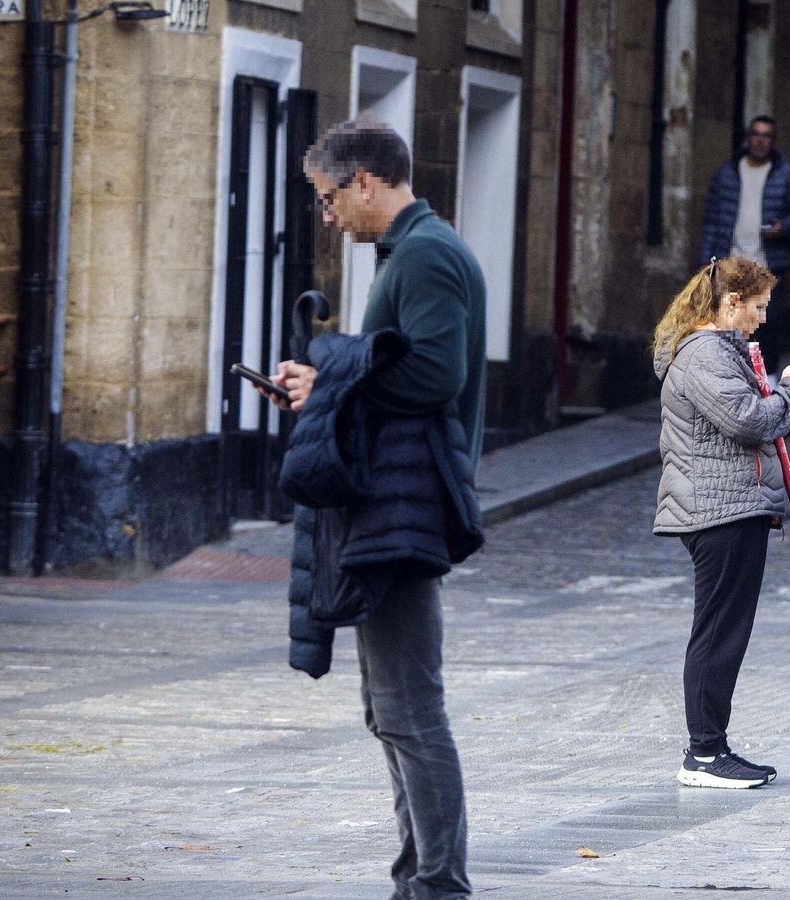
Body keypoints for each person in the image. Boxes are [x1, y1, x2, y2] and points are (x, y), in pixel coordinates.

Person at [272, 120, 485, 900]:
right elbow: (395, 375)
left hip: (404, 510)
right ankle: (416, 879)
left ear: (364, 180)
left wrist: (330, 381)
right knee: (391, 711)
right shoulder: (414, 251)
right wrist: (323, 388)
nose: (328, 215)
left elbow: (432, 375)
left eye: (329, 198)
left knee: (409, 711)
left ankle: (438, 885)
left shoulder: (424, 254)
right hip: (398, 504)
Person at [652, 257, 790, 789]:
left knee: (725, 630)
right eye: (758, 307)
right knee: (719, 631)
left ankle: (710, 747)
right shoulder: (704, 353)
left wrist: (783, 400)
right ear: (731, 302)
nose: (763, 319)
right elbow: (746, 420)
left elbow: (748, 417)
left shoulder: (718, 350)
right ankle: (704, 753)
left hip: (731, 506)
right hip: (719, 510)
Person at [698, 115, 790, 376]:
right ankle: (730, 378)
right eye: (756, 135)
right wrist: (706, 263)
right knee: (728, 326)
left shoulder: (788, 176)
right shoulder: (727, 174)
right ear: (748, 138)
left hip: (769, 266)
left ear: (773, 141)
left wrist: (784, 226)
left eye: (766, 136)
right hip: (732, 265)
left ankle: (767, 380)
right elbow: (712, 220)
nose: (760, 141)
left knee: (767, 325)